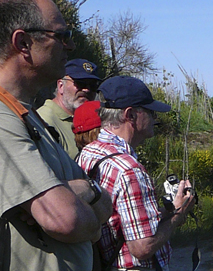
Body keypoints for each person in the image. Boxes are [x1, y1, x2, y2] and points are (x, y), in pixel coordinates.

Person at [0, 0, 112, 271]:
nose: (70, 46)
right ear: (23, 43)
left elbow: (104, 204)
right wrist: (84, 208)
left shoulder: (24, 113)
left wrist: (86, 191)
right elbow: (64, 219)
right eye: (61, 36)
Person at [77, 76, 195, 271]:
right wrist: (179, 214)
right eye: (150, 112)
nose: (155, 119)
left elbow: (120, 220)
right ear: (130, 115)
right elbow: (142, 247)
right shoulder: (129, 170)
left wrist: (168, 209)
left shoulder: (90, 152)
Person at [37, 58, 102, 159]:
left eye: (93, 85)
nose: (86, 90)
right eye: (80, 83)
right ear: (61, 85)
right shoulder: (44, 121)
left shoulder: (96, 121)